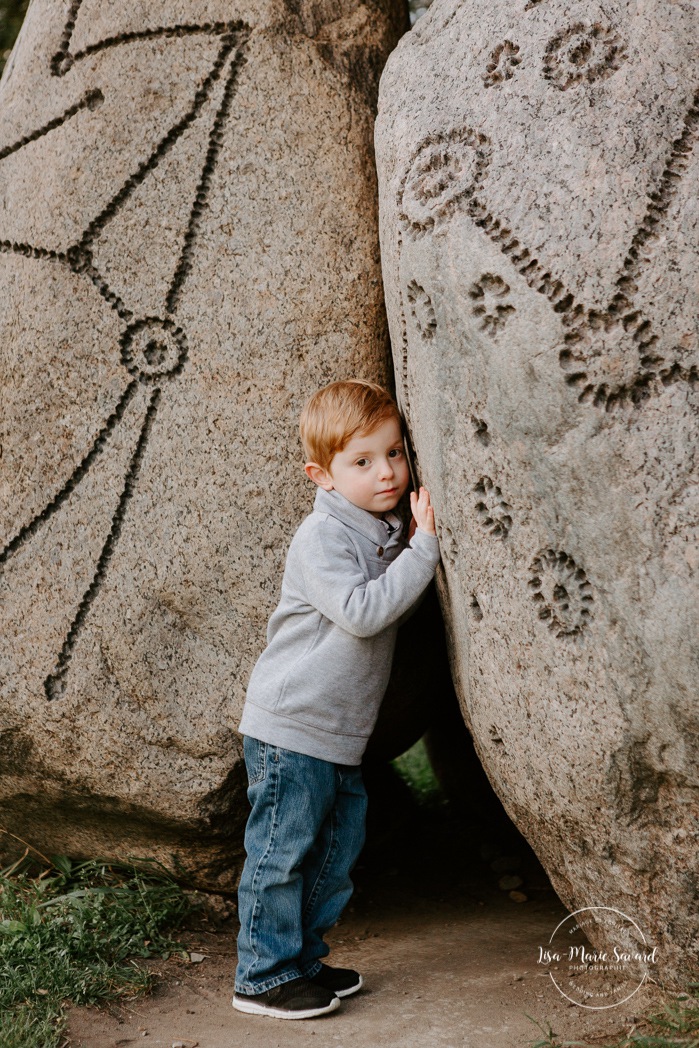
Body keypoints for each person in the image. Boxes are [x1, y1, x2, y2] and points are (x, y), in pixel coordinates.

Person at [233, 379, 440, 1020]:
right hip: (291, 726)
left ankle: (300, 960)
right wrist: (422, 547)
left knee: (335, 851)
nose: (388, 472)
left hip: (336, 731)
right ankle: (261, 976)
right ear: (320, 475)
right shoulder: (322, 537)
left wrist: (407, 532)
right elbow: (360, 611)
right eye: (363, 461)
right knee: (281, 851)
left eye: (396, 453)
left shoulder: (379, 523)